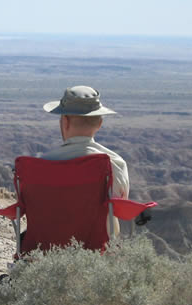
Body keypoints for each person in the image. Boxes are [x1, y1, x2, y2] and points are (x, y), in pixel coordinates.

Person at [39, 85, 129, 237]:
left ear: (65, 121)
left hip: (45, 247)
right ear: (99, 124)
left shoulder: (40, 166)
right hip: (98, 252)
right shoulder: (115, 164)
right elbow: (120, 208)